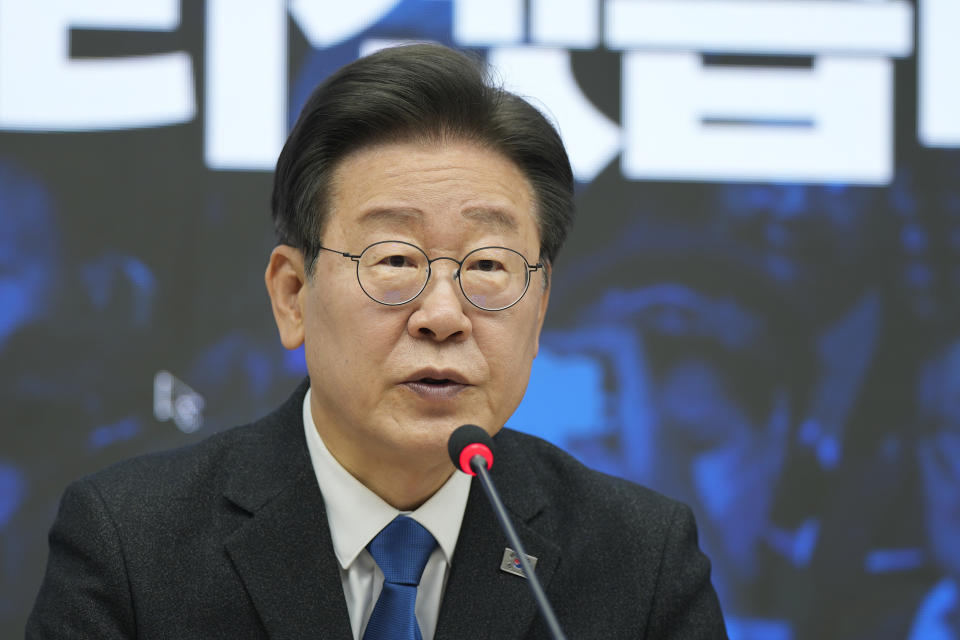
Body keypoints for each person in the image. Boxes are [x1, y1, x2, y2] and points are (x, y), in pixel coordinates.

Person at [27, 44, 727, 639]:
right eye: (395, 261)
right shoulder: (132, 544)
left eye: (488, 266)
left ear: (539, 309)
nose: (443, 315)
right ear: (292, 296)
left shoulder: (641, 562)